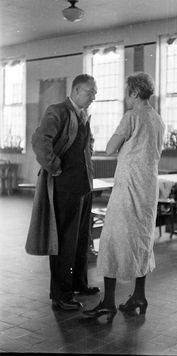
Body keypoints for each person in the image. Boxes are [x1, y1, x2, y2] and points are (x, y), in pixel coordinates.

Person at [83, 72, 165, 322]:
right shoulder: (158, 119)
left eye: (127, 91)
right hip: (148, 188)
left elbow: (109, 148)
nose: (125, 96)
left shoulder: (132, 116)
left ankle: (108, 303)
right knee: (141, 239)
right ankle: (139, 295)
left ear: (135, 93)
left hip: (129, 186)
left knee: (110, 239)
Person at [25, 74, 100, 310]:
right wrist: (55, 166)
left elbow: (86, 144)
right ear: (76, 90)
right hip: (64, 188)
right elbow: (39, 141)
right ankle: (61, 295)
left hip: (83, 187)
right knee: (64, 241)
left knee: (80, 239)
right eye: (90, 92)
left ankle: (79, 284)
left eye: (95, 93)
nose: (93, 97)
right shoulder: (57, 111)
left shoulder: (83, 115)